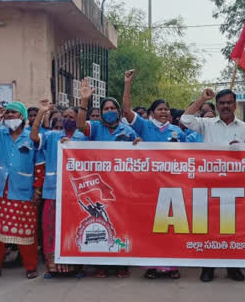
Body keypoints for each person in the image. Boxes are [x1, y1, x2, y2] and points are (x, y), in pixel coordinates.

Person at [182, 87, 245, 283]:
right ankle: (208, 267)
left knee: (233, 228)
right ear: (217, 106)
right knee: (209, 227)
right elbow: (185, 120)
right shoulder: (207, 124)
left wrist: (238, 152)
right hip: (209, 183)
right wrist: (201, 99)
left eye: (229, 102)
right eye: (221, 103)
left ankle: (233, 267)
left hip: (234, 184)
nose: (225, 106)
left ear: (235, 105)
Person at [121, 69, 185, 280]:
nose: (164, 112)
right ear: (151, 112)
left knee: (172, 226)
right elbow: (127, 109)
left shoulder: (178, 132)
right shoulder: (144, 126)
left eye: (166, 109)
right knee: (150, 226)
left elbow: (189, 157)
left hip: (172, 186)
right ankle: (151, 266)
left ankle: (172, 265)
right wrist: (128, 84)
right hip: (148, 186)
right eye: (160, 109)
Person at [77, 77, 138, 278]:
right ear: (101, 112)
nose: (109, 111)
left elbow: (140, 153)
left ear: (119, 112)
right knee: (101, 222)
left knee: (122, 223)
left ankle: (122, 263)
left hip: (121, 186)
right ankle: (100, 263)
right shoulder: (95, 128)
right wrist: (84, 101)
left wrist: (139, 144)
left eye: (113, 108)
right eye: (105, 109)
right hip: (99, 186)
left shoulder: (127, 130)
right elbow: (80, 126)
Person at [0, 100, 41, 280]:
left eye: (14, 113)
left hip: (23, 191)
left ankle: (30, 266)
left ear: (23, 117)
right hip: (0, 190)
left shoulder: (31, 137)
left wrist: (37, 190)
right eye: (8, 113)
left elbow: (39, 165)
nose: (10, 116)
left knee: (27, 230)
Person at [30, 103, 83, 277]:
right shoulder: (52, 136)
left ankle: (75, 267)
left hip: (74, 193)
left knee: (73, 228)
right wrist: (41, 113)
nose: (67, 120)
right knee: (50, 227)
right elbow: (34, 137)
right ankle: (52, 267)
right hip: (52, 191)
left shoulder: (82, 138)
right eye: (64, 117)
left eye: (71, 117)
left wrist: (72, 146)